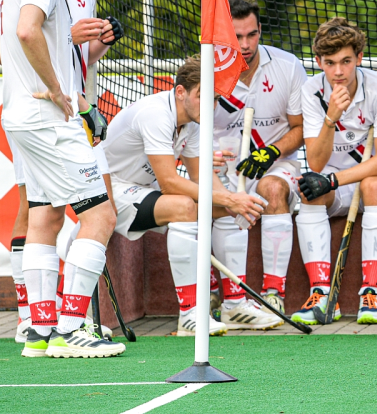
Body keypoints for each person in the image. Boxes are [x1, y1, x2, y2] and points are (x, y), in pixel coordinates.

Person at [0, 0, 124, 358]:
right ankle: (72, 329)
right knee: (101, 216)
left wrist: (87, 51)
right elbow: (28, 33)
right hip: (50, 119)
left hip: (22, 116)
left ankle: (39, 330)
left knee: (46, 216)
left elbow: (7, 45)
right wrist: (56, 89)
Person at [98, 56, 275, 335]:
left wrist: (234, 203)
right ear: (180, 92)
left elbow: (202, 178)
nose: (211, 106)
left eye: (215, 99)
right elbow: (170, 182)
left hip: (144, 193)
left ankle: (235, 305)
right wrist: (229, 199)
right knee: (186, 206)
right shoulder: (156, 114)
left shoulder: (192, 124)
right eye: (203, 96)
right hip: (110, 192)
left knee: (226, 208)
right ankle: (190, 315)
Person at [296, 18, 377, 325]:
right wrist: (331, 117)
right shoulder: (312, 90)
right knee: (307, 194)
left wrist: (332, 179)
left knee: (375, 185)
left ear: (359, 58)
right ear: (318, 62)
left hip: (368, 179)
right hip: (333, 184)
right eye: (330, 63)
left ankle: (372, 292)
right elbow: (314, 163)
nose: (338, 72)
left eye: (346, 62)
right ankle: (321, 292)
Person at [212, 0, 308, 314]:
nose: (245, 45)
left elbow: (299, 127)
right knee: (196, 204)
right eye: (237, 37)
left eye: (252, 34)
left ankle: (273, 294)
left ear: (260, 30)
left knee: (274, 189)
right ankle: (218, 293)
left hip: (274, 166)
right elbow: (188, 131)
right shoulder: (207, 71)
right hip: (223, 172)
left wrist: (269, 153)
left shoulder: (287, 66)